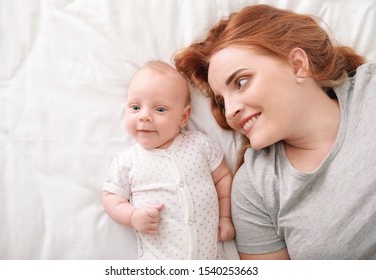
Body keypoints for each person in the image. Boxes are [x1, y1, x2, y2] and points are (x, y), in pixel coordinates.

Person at [173, 4, 376, 259]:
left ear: (298, 65)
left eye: (241, 82)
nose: (230, 111)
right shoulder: (254, 188)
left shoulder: (371, 90)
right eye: (222, 101)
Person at [102, 60, 235, 259]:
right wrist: (132, 216)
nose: (144, 116)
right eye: (135, 107)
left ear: (183, 117)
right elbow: (111, 197)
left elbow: (223, 177)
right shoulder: (128, 161)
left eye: (160, 109)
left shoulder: (199, 145)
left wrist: (225, 217)